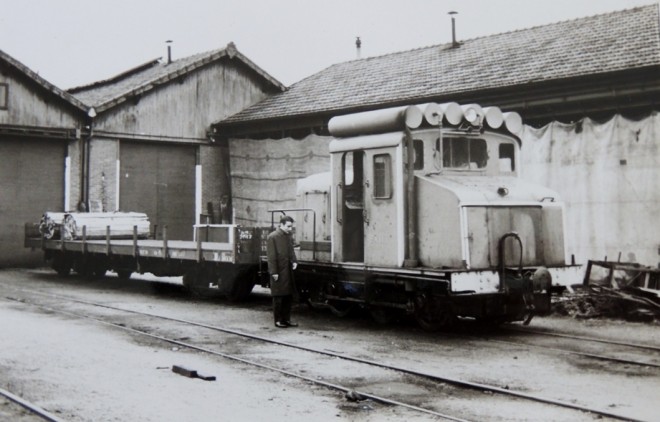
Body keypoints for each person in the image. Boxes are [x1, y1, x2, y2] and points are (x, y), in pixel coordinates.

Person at [266, 215, 298, 328]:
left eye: (291, 227)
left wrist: (294, 260)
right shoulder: (272, 237)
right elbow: (271, 256)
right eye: (288, 226)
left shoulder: (287, 236)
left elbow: (291, 250)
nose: (290, 229)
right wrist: (274, 272)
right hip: (279, 271)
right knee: (278, 296)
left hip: (287, 271)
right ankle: (278, 320)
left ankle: (286, 319)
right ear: (282, 225)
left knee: (288, 296)